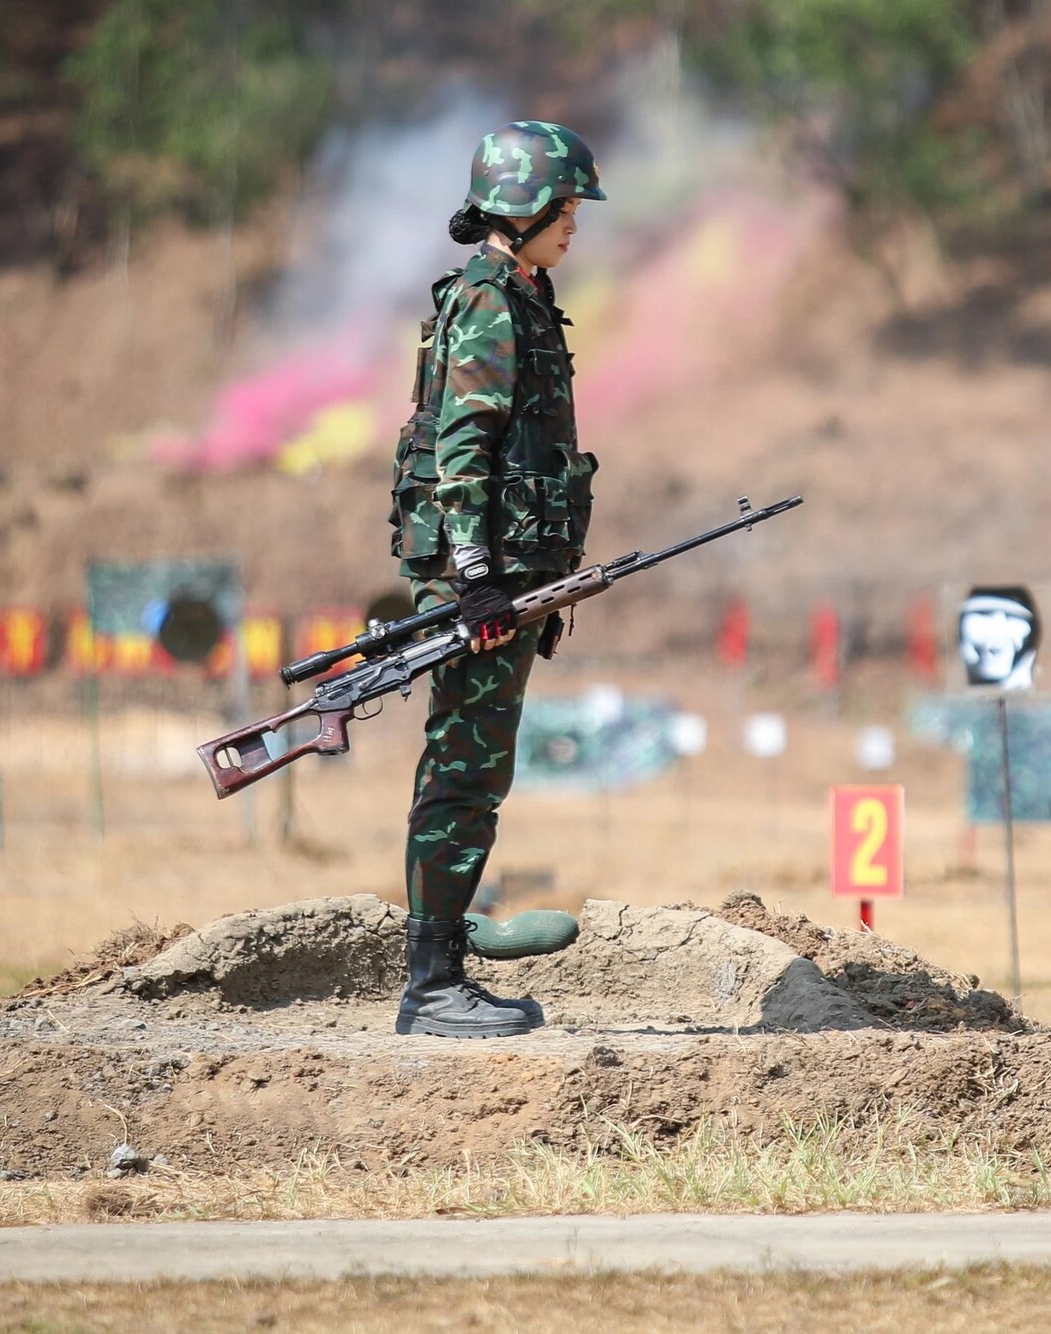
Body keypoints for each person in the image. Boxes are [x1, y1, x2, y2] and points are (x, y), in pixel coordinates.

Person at [387, 121, 605, 1038]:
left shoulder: (522, 292)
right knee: (465, 769)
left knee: (477, 765)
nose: (574, 224)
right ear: (522, 211)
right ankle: (431, 984)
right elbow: (464, 448)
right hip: (476, 578)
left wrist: (535, 581)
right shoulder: (488, 301)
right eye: (564, 208)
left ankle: (441, 964)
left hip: (505, 575)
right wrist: (480, 578)